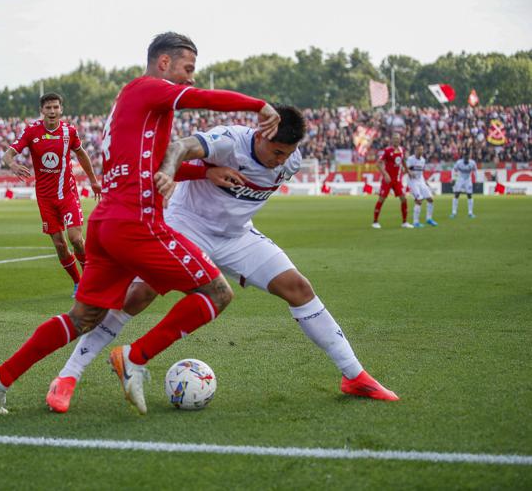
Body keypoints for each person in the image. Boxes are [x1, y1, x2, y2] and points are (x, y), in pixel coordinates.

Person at [0, 31, 281, 416]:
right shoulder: (148, 88)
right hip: (137, 223)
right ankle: (134, 357)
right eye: (188, 68)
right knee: (217, 292)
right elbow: (201, 99)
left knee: (83, 316)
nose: (190, 78)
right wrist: (260, 106)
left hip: (107, 224)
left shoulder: (130, 104)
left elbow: (149, 166)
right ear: (164, 62)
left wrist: (204, 173)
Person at [45, 114, 399, 413]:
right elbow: (179, 147)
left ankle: (354, 376)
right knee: (139, 294)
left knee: (299, 288)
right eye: (275, 151)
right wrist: (196, 172)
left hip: (236, 236)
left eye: (286, 154)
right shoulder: (230, 140)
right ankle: (68, 375)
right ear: (260, 135)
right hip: (186, 224)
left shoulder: (289, 160)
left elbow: (264, 180)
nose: (280, 160)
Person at [0, 92, 102, 295]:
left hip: (67, 194)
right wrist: (12, 164)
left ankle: (90, 279)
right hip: (45, 198)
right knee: (59, 244)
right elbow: (7, 154)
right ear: (42, 110)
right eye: (48, 108)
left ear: (61, 109)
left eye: (56, 107)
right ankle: (78, 282)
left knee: (75, 238)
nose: (52, 111)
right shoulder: (31, 132)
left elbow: (81, 154)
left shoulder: (69, 132)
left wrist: (93, 180)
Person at [372, 134, 412, 229]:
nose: (396, 140)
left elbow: (403, 161)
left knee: (403, 199)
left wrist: (407, 170)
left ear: (400, 140)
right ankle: (375, 222)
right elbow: (378, 164)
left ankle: (404, 222)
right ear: (392, 140)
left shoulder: (401, 149)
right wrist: (385, 174)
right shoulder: (387, 151)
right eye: (394, 139)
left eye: (398, 139)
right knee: (382, 199)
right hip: (388, 180)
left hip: (397, 180)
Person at [404, 145, 437, 228]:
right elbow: (405, 169)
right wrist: (410, 172)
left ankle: (429, 219)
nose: (420, 151)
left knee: (430, 199)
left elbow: (421, 173)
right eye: (419, 149)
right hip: (413, 182)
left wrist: (425, 182)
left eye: (422, 150)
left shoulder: (423, 160)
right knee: (419, 200)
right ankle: (416, 222)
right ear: (415, 150)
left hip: (421, 181)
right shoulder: (411, 159)